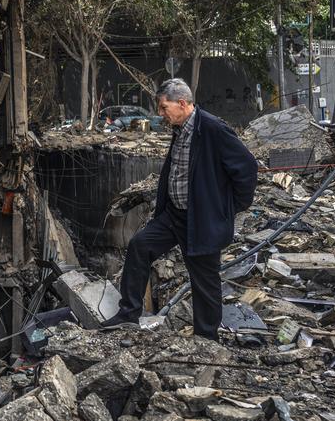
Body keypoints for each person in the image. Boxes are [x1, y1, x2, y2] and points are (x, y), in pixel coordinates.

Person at [105, 78, 258, 340]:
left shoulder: (212, 128)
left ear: (183, 103)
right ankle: (128, 313)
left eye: (164, 108)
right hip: (174, 215)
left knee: (204, 280)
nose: (161, 113)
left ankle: (206, 338)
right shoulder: (180, 129)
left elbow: (247, 167)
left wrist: (229, 207)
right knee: (140, 245)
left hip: (201, 219)